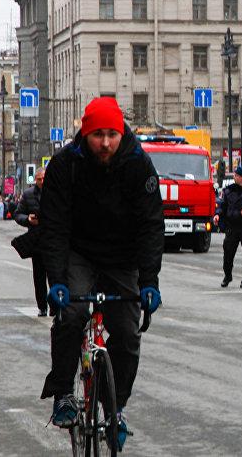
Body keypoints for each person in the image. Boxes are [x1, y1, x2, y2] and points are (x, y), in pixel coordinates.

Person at [39, 97, 164, 450]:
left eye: (112, 135)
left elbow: (151, 225)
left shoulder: (139, 164)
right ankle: (64, 394)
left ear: (122, 133)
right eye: (98, 135)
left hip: (122, 257)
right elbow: (53, 226)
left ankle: (116, 408)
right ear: (86, 133)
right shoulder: (66, 164)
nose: (105, 143)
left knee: (127, 332)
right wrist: (57, 280)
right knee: (72, 314)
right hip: (78, 251)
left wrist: (149, 281)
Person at [14, 167, 49, 316]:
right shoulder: (28, 194)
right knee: (39, 276)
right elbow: (18, 214)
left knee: (56, 275)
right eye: (39, 179)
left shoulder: (56, 191)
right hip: (36, 240)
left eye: (44, 178)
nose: (42, 181)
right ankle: (42, 306)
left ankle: (56, 306)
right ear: (35, 180)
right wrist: (28, 219)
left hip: (53, 240)